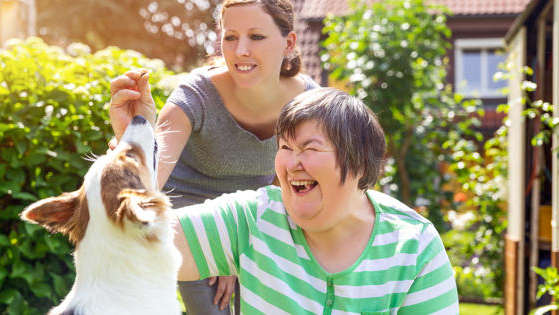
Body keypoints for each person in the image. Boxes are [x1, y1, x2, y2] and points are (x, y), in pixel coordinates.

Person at [108, 0, 319, 313]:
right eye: (230, 36)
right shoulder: (195, 95)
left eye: (256, 37)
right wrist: (133, 135)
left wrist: (241, 242)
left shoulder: (308, 103)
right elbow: (150, 180)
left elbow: (291, 182)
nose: (239, 50)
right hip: (186, 216)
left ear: (288, 43)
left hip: (254, 217)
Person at [174, 87, 460, 314]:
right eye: (285, 147)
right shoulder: (254, 218)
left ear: (358, 162)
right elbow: (144, 239)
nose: (292, 163)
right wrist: (132, 140)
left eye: (310, 148)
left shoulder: (414, 248)